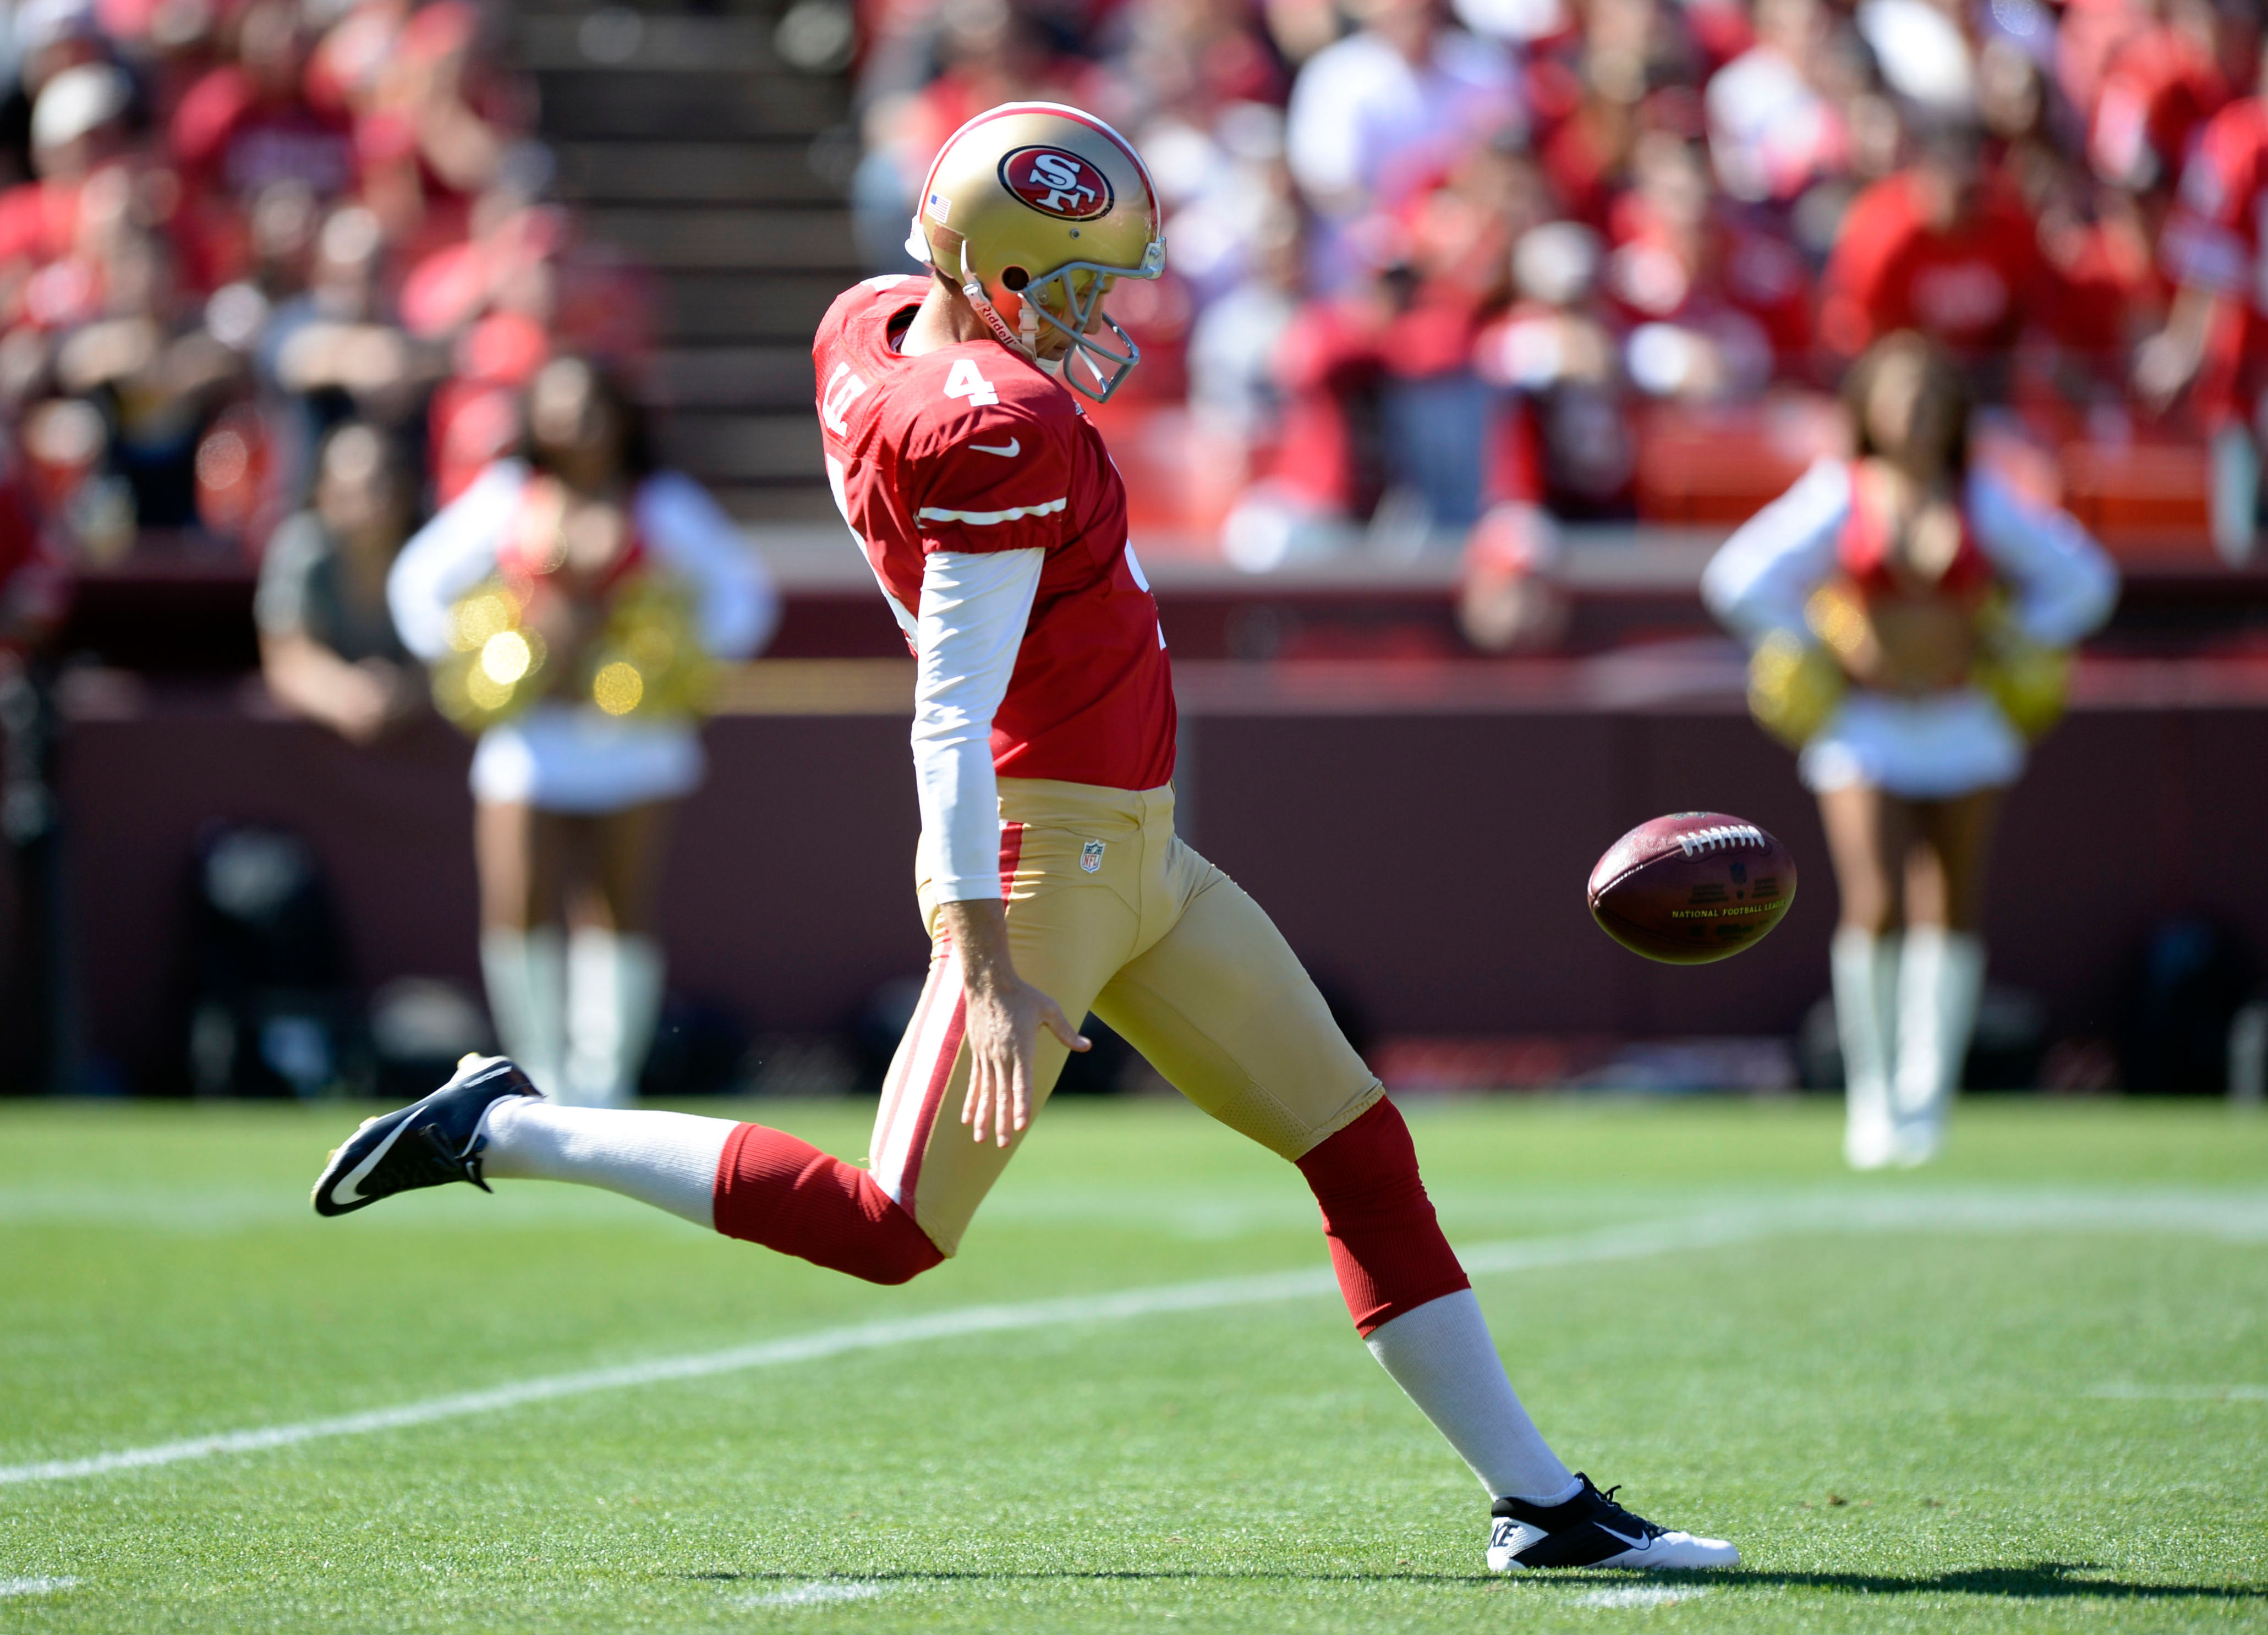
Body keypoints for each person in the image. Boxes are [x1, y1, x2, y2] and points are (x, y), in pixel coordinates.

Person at [316, 102, 1739, 1577]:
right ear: (991, 271)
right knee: (889, 1225)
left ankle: (1540, 1503)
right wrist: (977, 945)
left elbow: (923, 350)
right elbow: (947, 711)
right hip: (1049, 859)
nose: (1099, 315)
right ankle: (505, 1126)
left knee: (1359, 1146)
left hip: (1138, 848)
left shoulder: (873, 325)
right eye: (1073, 283)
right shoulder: (1002, 428)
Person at [1702, 333, 2118, 1170]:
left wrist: (2003, 635)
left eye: (1933, 399)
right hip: (1867, 722)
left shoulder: (1982, 497)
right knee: (1874, 902)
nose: (1918, 416)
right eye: (1901, 399)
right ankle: (1872, 1099)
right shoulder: (1838, 493)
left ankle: (1927, 1103)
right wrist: (1822, 640)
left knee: (1951, 908)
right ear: (1867, 412)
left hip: (1964, 718)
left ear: (1956, 413)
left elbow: (2084, 580)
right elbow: (1737, 577)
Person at [385, 356, 776, 1107]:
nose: (577, 425)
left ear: (623, 418)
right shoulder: (507, 499)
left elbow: (743, 598)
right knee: (518, 902)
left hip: (633, 737)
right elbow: (418, 584)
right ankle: (537, 1071)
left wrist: (679, 668)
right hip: (531, 734)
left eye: (592, 407)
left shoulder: (660, 504)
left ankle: (605, 1081)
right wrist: (484, 651)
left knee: (619, 906)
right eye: (559, 408)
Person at [256, 420, 420, 743]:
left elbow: (451, 661)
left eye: (377, 489)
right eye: (346, 495)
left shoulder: (432, 552)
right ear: (321, 494)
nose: (365, 508)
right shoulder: (301, 549)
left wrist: (406, 691)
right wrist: (348, 696)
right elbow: (286, 656)